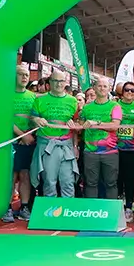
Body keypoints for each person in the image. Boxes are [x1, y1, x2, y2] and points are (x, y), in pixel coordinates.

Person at [31, 70, 81, 198]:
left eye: (61, 81)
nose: (59, 84)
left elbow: (77, 125)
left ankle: (68, 212)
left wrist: (75, 146)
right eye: (55, 81)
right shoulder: (39, 100)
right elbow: (32, 118)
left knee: (68, 182)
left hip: (67, 146)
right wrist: (36, 120)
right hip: (47, 145)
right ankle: (50, 215)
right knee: (49, 182)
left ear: (66, 83)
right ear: (49, 83)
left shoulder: (73, 101)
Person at [3, 64, 36, 222]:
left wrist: (30, 135)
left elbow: (35, 118)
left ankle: (24, 207)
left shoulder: (32, 97)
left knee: (25, 174)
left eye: (27, 75)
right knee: (11, 175)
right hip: (10, 142)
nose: (24, 78)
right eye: (21, 74)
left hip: (27, 143)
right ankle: (7, 208)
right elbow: (4, 118)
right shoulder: (6, 95)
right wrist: (22, 135)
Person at [79, 78, 122, 200]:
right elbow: (80, 126)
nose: (102, 88)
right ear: (94, 88)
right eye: (99, 86)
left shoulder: (115, 106)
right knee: (90, 184)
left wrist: (96, 123)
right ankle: (91, 211)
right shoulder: (87, 108)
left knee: (111, 183)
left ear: (109, 89)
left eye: (105, 86)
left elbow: (114, 126)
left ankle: (111, 212)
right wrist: (70, 123)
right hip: (90, 152)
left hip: (110, 152)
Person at [115, 81, 134, 222]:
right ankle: (119, 202)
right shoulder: (116, 105)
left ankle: (129, 206)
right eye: (127, 90)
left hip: (133, 148)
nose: (130, 93)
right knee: (118, 177)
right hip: (116, 147)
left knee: (130, 178)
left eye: (133, 91)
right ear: (122, 92)